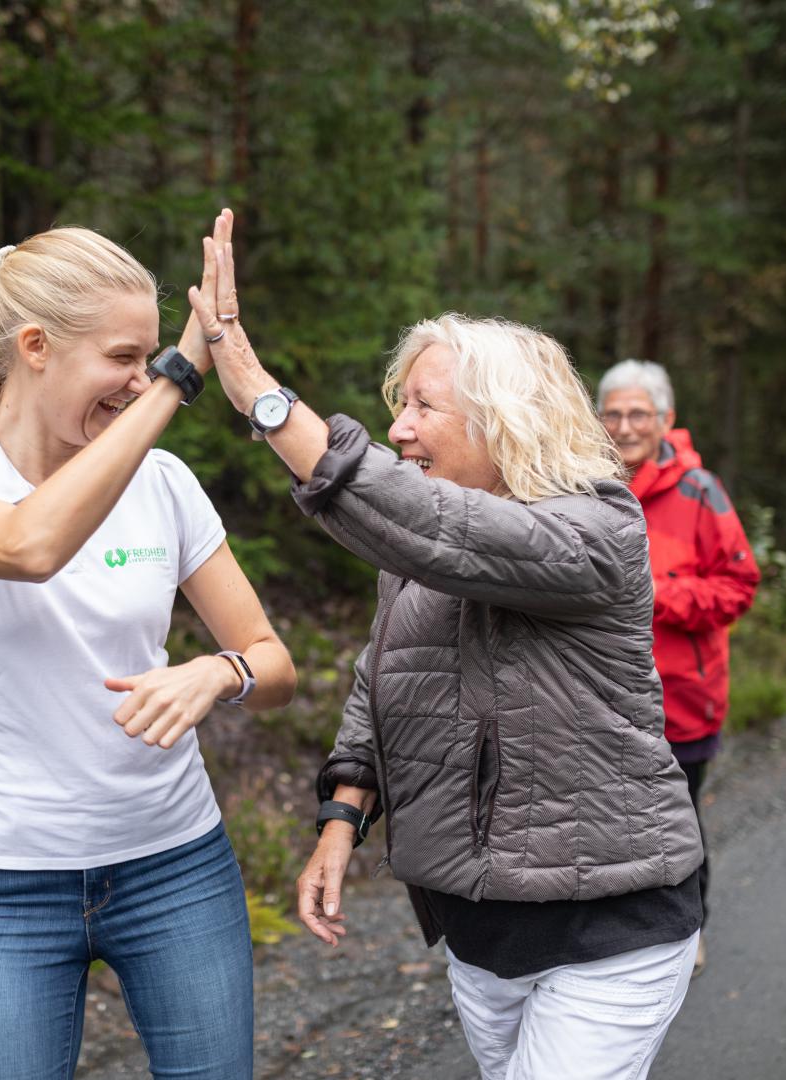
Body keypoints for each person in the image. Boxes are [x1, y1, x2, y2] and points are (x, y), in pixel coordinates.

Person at [187, 211, 703, 1080]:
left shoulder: (598, 529)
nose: (401, 429)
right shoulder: (418, 555)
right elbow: (382, 684)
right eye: (401, 407)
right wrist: (342, 818)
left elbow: (429, 521)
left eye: (425, 407)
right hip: (477, 931)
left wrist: (254, 387)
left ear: (506, 419)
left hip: (612, 926)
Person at [0, 218, 295, 1079]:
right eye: (122, 358)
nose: (139, 379)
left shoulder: (165, 484)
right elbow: (29, 547)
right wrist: (177, 382)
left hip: (177, 864)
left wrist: (219, 672)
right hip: (7, 886)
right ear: (35, 346)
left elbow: (273, 662)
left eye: (150, 357)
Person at [596, 359, 759, 974]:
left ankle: (689, 927)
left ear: (666, 419)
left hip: (682, 696)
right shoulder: (583, 482)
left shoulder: (700, 490)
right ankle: (617, 931)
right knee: (609, 818)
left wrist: (659, 592)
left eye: (639, 413)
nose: (625, 425)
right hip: (600, 696)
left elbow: (739, 584)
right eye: (613, 413)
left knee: (677, 820)